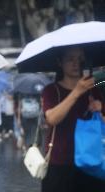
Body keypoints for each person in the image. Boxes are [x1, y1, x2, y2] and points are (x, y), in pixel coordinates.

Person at [41, 46, 105, 192]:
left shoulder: (93, 90)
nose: (76, 63)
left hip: (91, 161)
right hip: (60, 162)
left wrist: (100, 109)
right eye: (70, 59)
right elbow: (52, 118)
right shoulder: (51, 90)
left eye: (80, 59)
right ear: (60, 62)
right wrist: (77, 91)